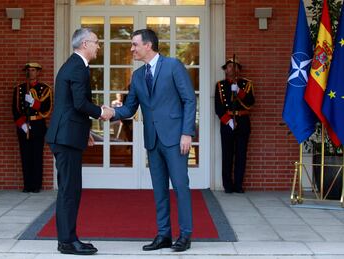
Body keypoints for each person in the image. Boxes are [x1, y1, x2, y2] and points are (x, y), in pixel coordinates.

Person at [107, 29, 196, 252]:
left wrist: (187, 133)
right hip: (153, 140)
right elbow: (129, 108)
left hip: (176, 139)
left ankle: (185, 235)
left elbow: (189, 100)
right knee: (159, 190)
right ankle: (163, 235)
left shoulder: (173, 66)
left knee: (181, 187)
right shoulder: (137, 76)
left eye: (134, 45)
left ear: (148, 45)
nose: (131, 49)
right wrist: (111, 113)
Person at [45, 28, 112, 255]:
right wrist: (101, 112)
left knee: (71, 189)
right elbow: (79, 103)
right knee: (69, 190)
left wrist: (85, 131)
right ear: (84, 44)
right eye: (96, 42)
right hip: (65, 139)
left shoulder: (76, 65)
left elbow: (72, 105)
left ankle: (70, 238)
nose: (98, 46)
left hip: (68, 136)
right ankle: (66, 242)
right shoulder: (77, 67)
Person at [214, 58, 255, 194]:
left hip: (243, 121)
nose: (231, 69)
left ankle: (238, 185)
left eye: (234, 66)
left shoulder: (246, 84)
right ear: (226, 70)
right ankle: (228, 186)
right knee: (227, 154)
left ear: (238, 69)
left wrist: (239, 91)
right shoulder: (220, 85)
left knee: (241, 155)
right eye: (229, 66)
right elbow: (218, 108)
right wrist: (228, 121)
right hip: (227, 122)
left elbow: (250, 103)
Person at [12, 62, 52, 193]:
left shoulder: (45, 89)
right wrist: (22, 124)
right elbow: (15, 108)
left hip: (38, 125)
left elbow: (47, 108)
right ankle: (27, 185)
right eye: (28, 70)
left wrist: (34, 102)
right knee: (25, 156)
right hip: (24, 126)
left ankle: (36, 185)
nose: (31, 73)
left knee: (37, 156)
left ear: (38, 72)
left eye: (33, 70)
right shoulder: (19, 89)